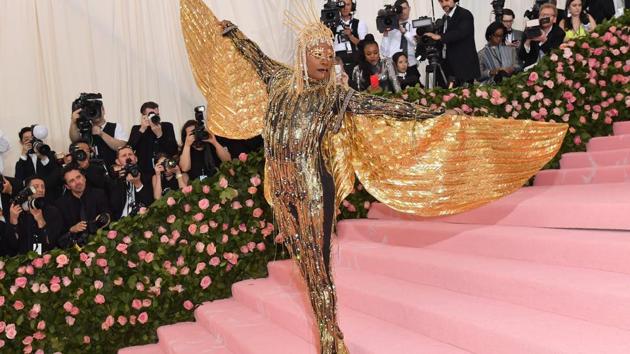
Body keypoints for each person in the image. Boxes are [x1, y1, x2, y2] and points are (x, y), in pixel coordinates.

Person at [183, 0, 566, 352]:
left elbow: (382, 106)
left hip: (315, 186)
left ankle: (331, 339)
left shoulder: (335, 96)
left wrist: (431, 115)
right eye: (317, 53)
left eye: (329, 55)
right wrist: (232, 32)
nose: (324, 59)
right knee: (304, 265)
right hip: (282, 189)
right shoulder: (279, 82)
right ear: (303, 55)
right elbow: (254, 57)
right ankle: (327, 332)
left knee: (318, 267)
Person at [423, 0, 480, 87]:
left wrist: (440, 37)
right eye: (441, 1)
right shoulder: (444, 18)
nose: (444, 4)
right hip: (447, 67)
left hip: (463, 67)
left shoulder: (465, 14)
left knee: (464, 97)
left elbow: (460, 33)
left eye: (447, 0)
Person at [4, 176, 63, 256]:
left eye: (43, 187)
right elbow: (13, 245)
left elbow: (52, 243)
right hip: (22, 260)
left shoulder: (52, 211)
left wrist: (40, 221)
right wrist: (13, 222)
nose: (40, 189)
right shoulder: (17, 210)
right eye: (36, 187)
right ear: (27, 190)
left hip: (46, 260)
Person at [55, 165, 110, 249]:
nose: (77, 182)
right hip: (75, 248)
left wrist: (103, 219)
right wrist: (72, 229)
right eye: (72, 181)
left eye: (78, 177)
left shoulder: (99, 194)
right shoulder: (60, 204)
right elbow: (59, 233)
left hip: (101, 243)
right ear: (67, 186)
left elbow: (109, 216)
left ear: (84, 178)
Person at [69, 94, 127, 167]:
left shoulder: (115, 126)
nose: (95, 113)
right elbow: (75, 140)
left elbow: (122, 146)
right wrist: (73, 122)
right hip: (91, 170)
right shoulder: (85, 128)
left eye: (97, 110)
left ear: (103, 110)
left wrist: (102, 134)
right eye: (91, 111)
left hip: (113, 169)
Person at [127, 101, 179, 176]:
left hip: (165, 171)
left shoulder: (167, 126)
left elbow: (173, 150)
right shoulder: (137, 129)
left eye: (157, 115)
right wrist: (142, 129)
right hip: (144, 172)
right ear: (144, 116)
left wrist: (160, 135)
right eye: (151, 115)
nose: (155, 117)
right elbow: (129, 148)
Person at [14, 126, 63, 200]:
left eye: (33, 138)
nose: (31, 141)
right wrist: (23, 155)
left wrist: (43, 158)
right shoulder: (22, 161)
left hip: (51, 197)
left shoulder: (51, 154)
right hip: (30, 200)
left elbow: (56, 176)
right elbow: (18, 182)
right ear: (21, 142)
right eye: (26, 139)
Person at [107, 146, 154, 221]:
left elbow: (150, 203)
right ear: (118, 162)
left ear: (136, 158)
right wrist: (119, 179)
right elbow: (113, 207)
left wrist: (138, 184)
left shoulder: (147, 177)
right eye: (124, 155)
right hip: (121, 223)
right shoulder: (113, 181)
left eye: (130, 154)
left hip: (142, 220)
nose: (128, 157)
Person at [519, 3, 566, 68]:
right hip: (530, 68)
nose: (544, 18)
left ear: (554, 19)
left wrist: (544, 40)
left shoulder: (559, 33)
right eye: (542, 15)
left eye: (547, 15)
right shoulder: (532, 28)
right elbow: (522, 56)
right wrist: (527, 42)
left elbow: (554, 56)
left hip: (549, 69)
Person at [380, 0, 419, 76]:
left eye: (404, 8)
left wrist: (404, 31)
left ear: (409, 8)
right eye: (399, 9)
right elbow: (384, 53)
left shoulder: (415, 25)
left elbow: (416, 43)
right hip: (394, 68)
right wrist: (385, 34)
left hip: (411, 65)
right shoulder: (390, 27)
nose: (402, 11)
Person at [333, 0, 368, 76]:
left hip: (356, 62)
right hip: (338, 64)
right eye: (342, 5)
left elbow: (365, 45)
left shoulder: (360, 23)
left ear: (352, 6)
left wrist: (350, 36)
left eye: (348, 4)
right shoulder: (333, 24)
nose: (345, 7)